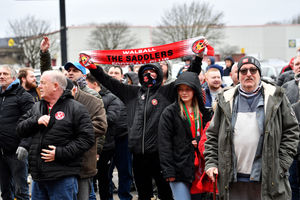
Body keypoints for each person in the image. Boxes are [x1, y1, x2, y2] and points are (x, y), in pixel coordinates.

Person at [82, 42, 207, 200]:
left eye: (153, 72)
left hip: (160, 156)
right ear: (140, 75)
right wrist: (93, 67)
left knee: (166, 194)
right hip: (137, 156)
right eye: (146, 72)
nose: (149, 75)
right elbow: (108, 81)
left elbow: (189, 77)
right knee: (143, 194)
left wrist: (198, 57)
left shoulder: (166, 92)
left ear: (159, 75)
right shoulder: (130, 93)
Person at [204, 56, 300, 200]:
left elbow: (292, 131)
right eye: (243, 71)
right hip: (233, 180)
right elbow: (212, 135)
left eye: (253, 70)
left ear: (259, 74)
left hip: (267, 179)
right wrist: (211, 163)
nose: (248, 74)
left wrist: (281, 164)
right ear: (238, 76)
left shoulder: (276, 97)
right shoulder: (226, 99)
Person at [17, 70, 95, 200]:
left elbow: (87, 139)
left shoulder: (76, 108)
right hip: (38, 176)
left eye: (43, 83)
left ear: (55, 86)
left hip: (63, 177)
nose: (39, 86)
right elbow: (19, 129)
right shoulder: (36, 107)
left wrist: (60, 152)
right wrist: (35, 121)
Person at [158, 71, 211, 200]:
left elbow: (211, 137)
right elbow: (164, 144)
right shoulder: (170, 113)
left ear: (195, 90)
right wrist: (168, 171)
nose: (184, 93)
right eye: (180, 89)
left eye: (188, 89)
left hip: (200, 170)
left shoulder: (205, 113)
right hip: (178, 169)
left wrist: (199, 140)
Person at [67, 80, 107, 200]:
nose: (70, 73)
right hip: (61, 161)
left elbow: (101, 127)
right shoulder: (56, 100)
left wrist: (70, 130)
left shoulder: (92, 101)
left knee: (84, 195)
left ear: (74, 89)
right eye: (68, 70)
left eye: (74, 70)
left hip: (84, 160)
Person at [0, 65, 34, 200]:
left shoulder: (23, 96)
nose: (1, 76)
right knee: (6, 191)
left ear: (14, 78)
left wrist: (25, 145)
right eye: (0, 74)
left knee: (21, 192)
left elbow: (31, 123)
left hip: (17, 152)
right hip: (1, 151)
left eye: (5, 74)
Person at [281, 55, 300, 200]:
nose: (298, 66)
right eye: (296, 64)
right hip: (292, 147)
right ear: (292, 66)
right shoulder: (286, 87)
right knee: (292, 184)